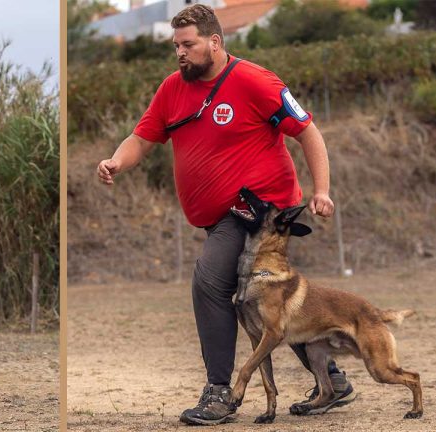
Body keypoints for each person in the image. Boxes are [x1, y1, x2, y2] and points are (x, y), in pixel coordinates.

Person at [96, 4, 355, 427]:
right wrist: (116, 161)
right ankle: (331, 380)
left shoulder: (254, 80)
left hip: (261, 212)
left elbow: (307, 129)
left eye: (188, 44)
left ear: (214, 42)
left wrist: (321, 191)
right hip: (220, 217)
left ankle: (220, 393)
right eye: (175, 46)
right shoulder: (172, 89)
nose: (180, 53)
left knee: (210, 280)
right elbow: (142, 138)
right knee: (267, 300)